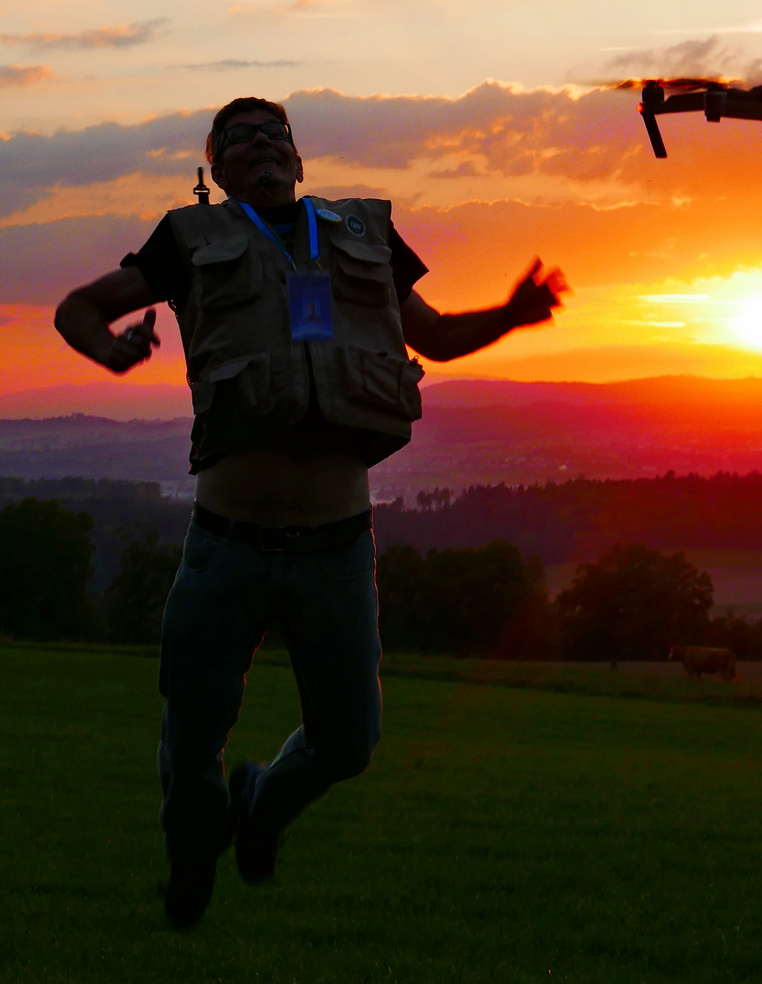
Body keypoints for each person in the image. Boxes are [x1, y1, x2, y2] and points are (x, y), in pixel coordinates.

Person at [53, 97, 569, 929]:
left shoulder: (362, 234)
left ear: (298, 159)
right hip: (225, 545)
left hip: (336, 548)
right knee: (191, 738)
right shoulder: (186, 242)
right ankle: (191, 858)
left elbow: (431, 339)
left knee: (349, 742)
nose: (260, 145)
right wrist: (111, 351)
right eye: (239, 138)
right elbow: (78, 307)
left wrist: (510, 315)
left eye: (275, 134)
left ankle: (260, 806)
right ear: (215, 170)